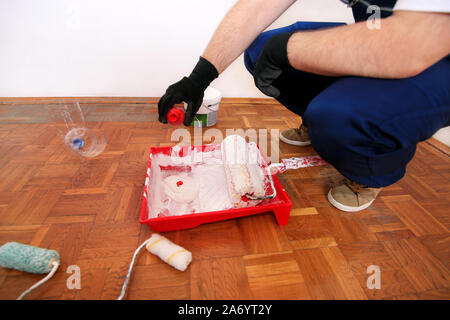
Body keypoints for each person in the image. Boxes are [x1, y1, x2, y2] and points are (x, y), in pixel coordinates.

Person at [158, 0, 450, 212]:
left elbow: (408, 46)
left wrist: (288, 50)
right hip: (383, 36)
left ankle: (370, 171)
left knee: (341, 115)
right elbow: (259, 6)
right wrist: (199, 78)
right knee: (262, 49)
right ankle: (320, 121)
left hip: (434, 57)